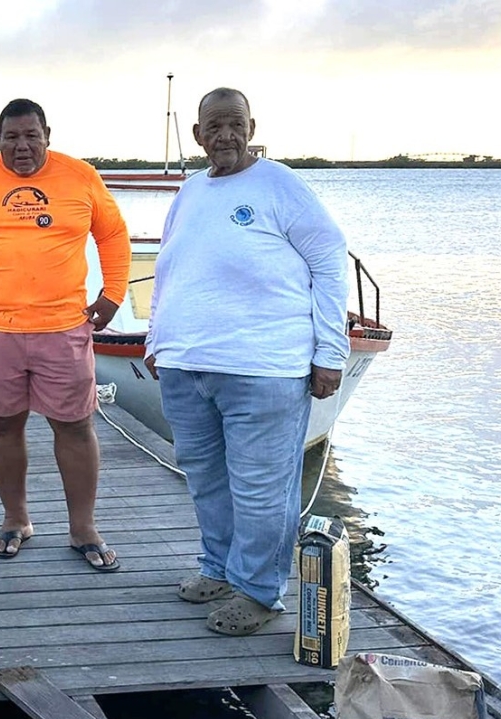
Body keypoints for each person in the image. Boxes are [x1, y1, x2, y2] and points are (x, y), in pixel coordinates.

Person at [144, 87, 350, 636]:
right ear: (198, 135)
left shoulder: (282, 185)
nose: (225, 136)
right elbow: (170, 268)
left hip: (266, 368)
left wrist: (330, 352)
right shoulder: (190, 191)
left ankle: (260, 592)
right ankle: (218, 568)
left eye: (235, 124)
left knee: (261, 487)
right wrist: (157, 339)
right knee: (206, 478)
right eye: (214, 126)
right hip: (187, 366)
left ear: (252, 126)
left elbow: (330, 264)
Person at [0, 98, 130, 571]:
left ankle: (83, 526)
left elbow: (113, 235)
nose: (22, 146)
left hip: (64, 327)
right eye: (11, 137)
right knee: (2, 425)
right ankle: (16, 518)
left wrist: (113, 293)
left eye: (31, 136)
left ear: (47, 135)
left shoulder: (80, 176)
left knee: (75, 426)